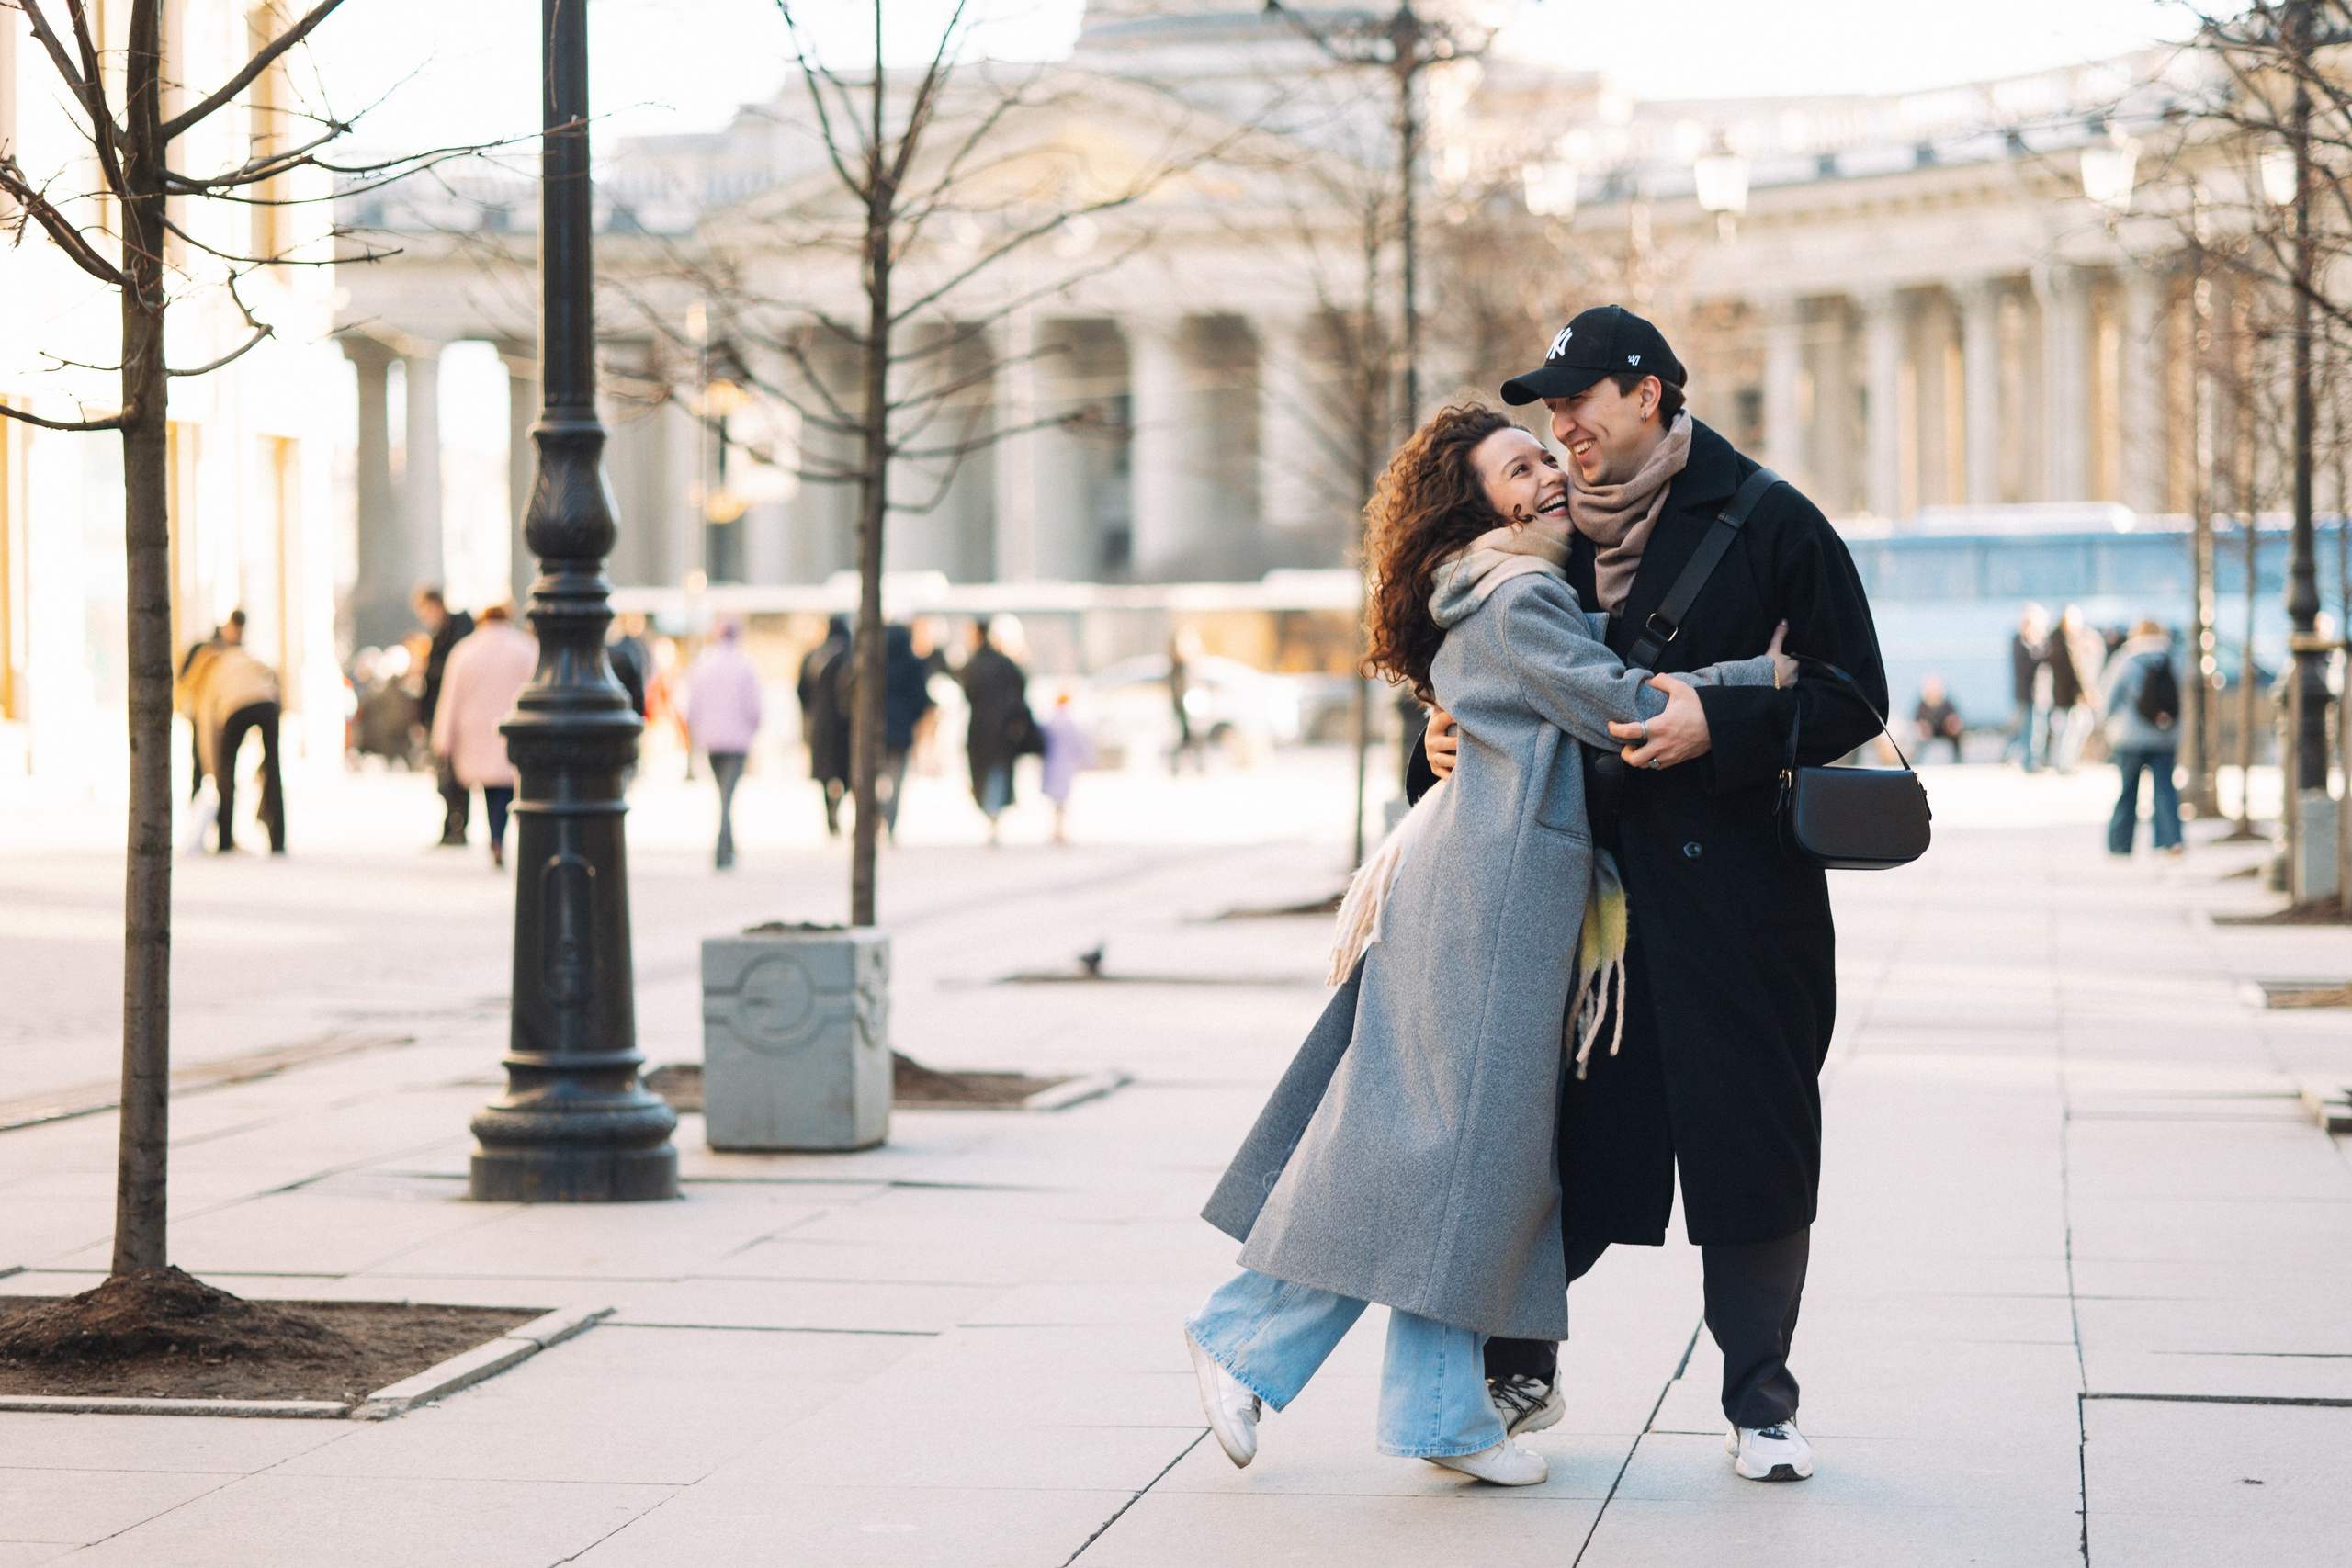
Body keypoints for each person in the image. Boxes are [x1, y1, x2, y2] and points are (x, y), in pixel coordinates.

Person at [1192, 401, 1791, 1487]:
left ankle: (1440, 1415)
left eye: (1546, 459)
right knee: (1443, 1154)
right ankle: (1243, 1335)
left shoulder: (1504, 591)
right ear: (1482, 507)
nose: (1549, 476)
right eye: (1521, 471)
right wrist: (1761, 679)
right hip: (1490, 900)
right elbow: (1619, 708)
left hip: (1491, 891)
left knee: (1471, 1164)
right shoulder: (1519, 597)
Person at [1415, 306, 1889, 1483]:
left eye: (1578, 400)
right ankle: (1515, 1369)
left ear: (1651, 393)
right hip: (1585, 918)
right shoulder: (1547, 534)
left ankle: (1760, 1401)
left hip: (1741, 907)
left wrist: (1714, 723)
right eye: (1547, 409)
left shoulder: (1773, 520)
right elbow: (1483, 670)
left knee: (1755, 1154)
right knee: (1555, 1151)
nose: (1559, 426)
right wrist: (1432, 736)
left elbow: (1852, 700)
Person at [430, 604, 534, 869]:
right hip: (514, 727)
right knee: (508, 783)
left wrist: (442, 739)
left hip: (476, 730)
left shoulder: (465, 650)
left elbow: (450, 698)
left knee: (491, 787)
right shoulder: (526, 648)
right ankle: (500, 836)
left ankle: (496, 838)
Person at [175, 610, 286, 855]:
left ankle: (224, 841)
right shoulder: (238, 655)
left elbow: (207, 732)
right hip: (267, 704)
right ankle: (278, 841)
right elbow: (273, 672)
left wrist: (212, 768)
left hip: (236, 709)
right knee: (273, 769)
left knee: (227, 772)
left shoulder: (212, 671)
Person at [839, 623, 937, 841]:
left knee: (869, 779)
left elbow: (850, 690)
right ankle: (890, 819)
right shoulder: (912, 663)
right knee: (896, 779)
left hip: (872, 729)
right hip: (901, 731)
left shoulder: (871, 661)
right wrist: (911, 719)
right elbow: (920, 698)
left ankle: (876, 813)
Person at [2100, 619, 2185, 857]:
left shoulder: (2126, 658)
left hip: (2130, 738)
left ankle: (2120, 844)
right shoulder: (2175, 658)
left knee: (2128, 791)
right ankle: (2170, 841)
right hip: (2165, 736)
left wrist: (2104, 724)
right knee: (2166, 790)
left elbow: (2109, 697)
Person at [687, 620, 763, 870]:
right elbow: (755, 708)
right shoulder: (744, 666)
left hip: (711, 740)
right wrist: (751, 731)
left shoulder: (704, 663)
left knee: (723, 794)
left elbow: (693, 705)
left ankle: (727, 847)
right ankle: (723, 848)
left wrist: (698, 732)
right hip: (737, 741)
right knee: (727, 796)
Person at [961, 615, 1039, 846]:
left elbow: (966, 690)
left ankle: (991, 810)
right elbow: (1021, 685)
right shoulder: (1004, 663)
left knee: (984, 771)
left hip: (979, 728)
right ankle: (993, 812)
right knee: (996, 770)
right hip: (1003, 728)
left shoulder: (974, 664)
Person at [413, 587, 477, 845]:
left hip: (453, 712)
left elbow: (444, 678)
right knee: (445, 772)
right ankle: (452, 824)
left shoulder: (457, 631)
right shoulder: (441, 635)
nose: (424, 617)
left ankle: (457, 825)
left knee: (453, 773)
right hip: (440, 712)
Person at [798, 616, 853, 835]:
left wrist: (810, 712)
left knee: (825, 772)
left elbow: (801, 690)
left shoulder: (815, 656)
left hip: (820, 722)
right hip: (845, 724)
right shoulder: (850, 653)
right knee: (845, 770)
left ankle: (830, 810)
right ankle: (838, 806)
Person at [1039, 692, 1095, 844]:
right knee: (1061, 801)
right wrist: (1088, 760)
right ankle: (1058, 830)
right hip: (1063, 764)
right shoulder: (1068, 721)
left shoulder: (1050, 720)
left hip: (1053, 763)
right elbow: (1080, 743)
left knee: (1056, 801)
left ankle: (1057, 830)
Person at [2008, 604, 2049, 772]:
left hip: (2036, 694)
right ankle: (2022, 760)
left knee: (2036, 729)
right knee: (2026, 730)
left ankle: (2031, 762)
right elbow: (2028, 666)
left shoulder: (2032, 642)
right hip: (2025, 694)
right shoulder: (2019, 640)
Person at [1167, 630, 1204, 773]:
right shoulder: (1176, 669)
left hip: (1189, 708)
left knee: (1191, 739)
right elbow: (1177, 690)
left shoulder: (1190, 668)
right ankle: (1189, 767)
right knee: (1185, 739)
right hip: (1180, 709)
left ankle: (1197, 766)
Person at [1913, 673, 1964, 762]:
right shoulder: (1922, 705)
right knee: (1918, 736)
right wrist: (1923, 728)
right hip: (1928, 732)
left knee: (1957, 736)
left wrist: (1953, 726)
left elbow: (1956, 720)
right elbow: (1917, 723)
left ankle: (1957, 761)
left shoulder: (1947, 704)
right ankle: (1917, 762)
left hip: (1945, 730)